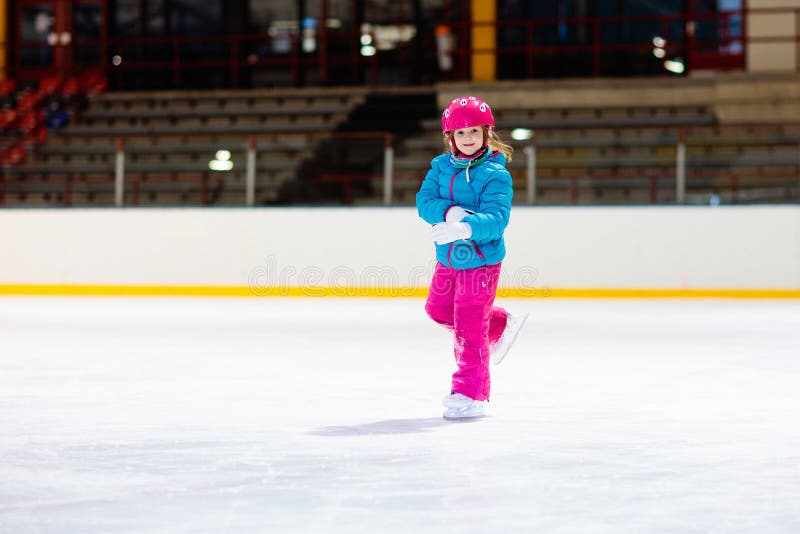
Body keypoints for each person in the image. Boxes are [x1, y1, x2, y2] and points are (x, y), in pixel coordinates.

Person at [416, 96, 528, 420]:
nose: (467, 139)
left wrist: (464, 228)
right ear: (450, 137)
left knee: (468, 327)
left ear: (486, 134)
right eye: (460, 133)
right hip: (448, 258)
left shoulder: (495, 175)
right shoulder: (440, 168)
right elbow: (424, 201)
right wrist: (448, 211)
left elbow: (497, 219)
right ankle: (500, 323)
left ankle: (470, 393)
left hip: (481, 260)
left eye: (474, 132)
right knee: (437, 310)